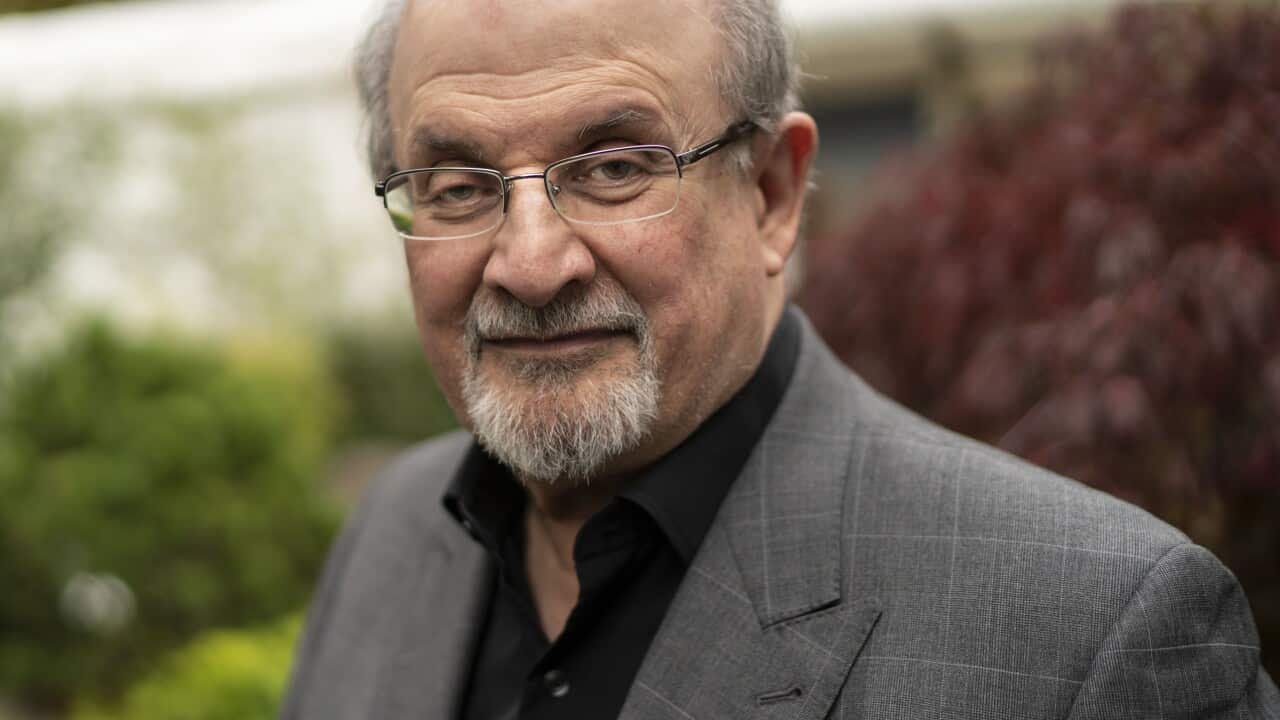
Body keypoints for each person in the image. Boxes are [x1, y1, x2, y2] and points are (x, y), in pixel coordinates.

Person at [282, 0, 1280, 717]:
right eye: (458, 186)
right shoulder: (391, 534)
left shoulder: (1094, 638)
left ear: (770, 195)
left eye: (616, 168)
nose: (531, 265)